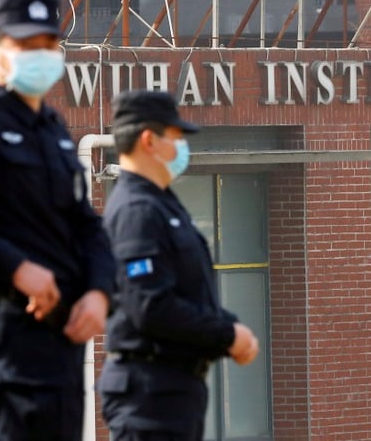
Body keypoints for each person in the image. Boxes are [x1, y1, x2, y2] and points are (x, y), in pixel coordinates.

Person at [0, 0, 115, 441]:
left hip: (65, 336)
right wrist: (17, 268)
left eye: (49, 45)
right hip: (16, 333)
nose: (41, 55)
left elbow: (86, 225)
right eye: (26, 46)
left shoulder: (53, 130)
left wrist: (99, 292)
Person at [98, 89, 260, 441]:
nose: (182, 147)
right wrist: (227, 335)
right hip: (150, 391)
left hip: (171, 389)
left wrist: (229, 328)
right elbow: (149, 305)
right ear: (148, 140)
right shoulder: (136, 211)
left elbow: (189, 290)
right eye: (175, 138)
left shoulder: (162, 205)